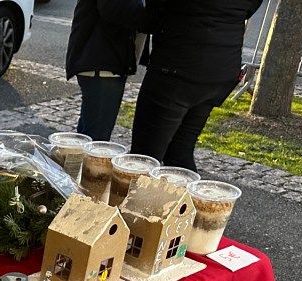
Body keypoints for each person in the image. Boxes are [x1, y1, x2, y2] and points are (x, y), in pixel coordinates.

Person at [130, 0, 264, 170]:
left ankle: (141, 186)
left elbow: (151, 19)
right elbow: (248, 10)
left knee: (145, 157)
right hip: (220, 68)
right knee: (179, 151)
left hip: (177, 69)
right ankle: (185, 187)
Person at [66, 0, 150, 142]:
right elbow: (114, 9)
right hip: (103, 64)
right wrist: (153, 16)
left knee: (88, 136)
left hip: (105, 62)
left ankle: (76, 155)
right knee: (95, 141)